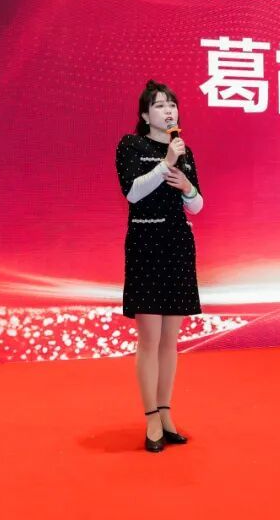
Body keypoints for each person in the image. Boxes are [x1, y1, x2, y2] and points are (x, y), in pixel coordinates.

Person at [115, 79, 204, 453]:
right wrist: (165, 162)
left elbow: (197, 205)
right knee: (149, 339)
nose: (168, 111)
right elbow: (132, 192)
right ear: (144, 114)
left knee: (170, 341)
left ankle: (166, 413)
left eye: (172, 105)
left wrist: (187, 187)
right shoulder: (130, 145)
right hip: (146, 245)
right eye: (160, 105)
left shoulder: (184, 150)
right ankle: (151, 416)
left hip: (177, 246)